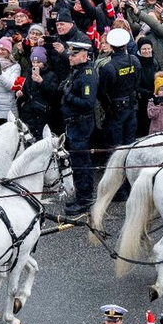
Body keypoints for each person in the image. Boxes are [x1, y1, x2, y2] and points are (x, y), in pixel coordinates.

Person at [61, 39, 98, 218]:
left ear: (84, 55)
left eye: (74, 55)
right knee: (77, 162)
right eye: (70, 54)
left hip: (81, 124)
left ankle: (85, 199)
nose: (71, 57)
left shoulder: (88, 74)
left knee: (81, 163)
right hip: (74, 123)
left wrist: (69, 97)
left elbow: (88, 102)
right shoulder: (77, 71)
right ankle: (82, 195)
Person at [99, 26, 140, 150]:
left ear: (111, 45)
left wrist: (107, 107)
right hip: (131, 105)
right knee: (130, 143)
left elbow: (101, 92)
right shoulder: (134, 60)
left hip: (115, 109)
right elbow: (137, 83)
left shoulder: (109, 67)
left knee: (115, 146)